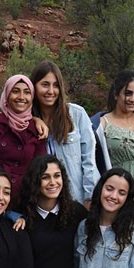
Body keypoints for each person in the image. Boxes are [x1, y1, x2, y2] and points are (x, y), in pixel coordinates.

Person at [17, 154, 88, 268]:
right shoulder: (23, 215)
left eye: (57, 176)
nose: (53, 182)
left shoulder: (76, 212)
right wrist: (14, 216)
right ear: (35, 181)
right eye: (45, 177)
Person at [30, 60, 99, 206]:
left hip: (75, 200)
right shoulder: (26, 121)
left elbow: (89, 160)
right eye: (45, 84)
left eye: (55, 85)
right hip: (39, 203)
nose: (51, 91)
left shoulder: (76, 114)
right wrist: (33, 119)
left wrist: (89, 196)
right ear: (33, 87)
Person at [91, 71, 134, 212]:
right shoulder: (101, 125)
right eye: (128, 93)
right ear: (116, 94)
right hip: (119, 193)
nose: (133, 99)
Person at [0, 74, 48, 201]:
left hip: (23, 199)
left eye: (27, 92)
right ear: (7, 95)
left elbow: (39, 169)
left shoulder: (38, 130)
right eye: (15, 91)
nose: (21, 97)